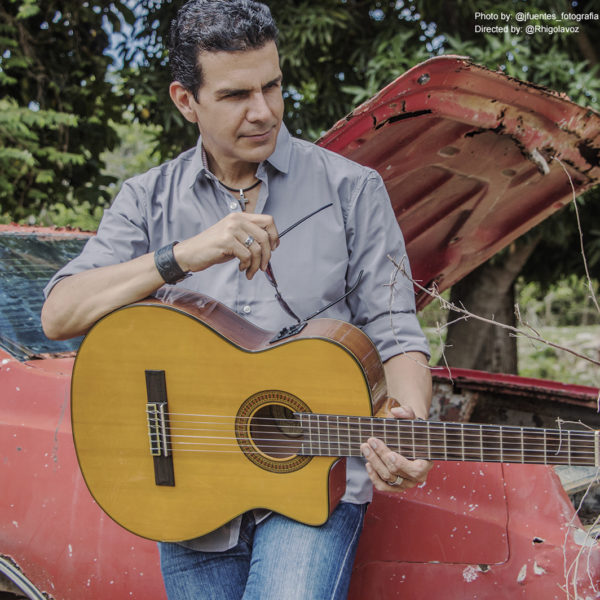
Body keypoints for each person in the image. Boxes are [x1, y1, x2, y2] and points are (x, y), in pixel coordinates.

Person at [41, 1, 432, 598]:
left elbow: (395, 329)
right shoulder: (146, 200)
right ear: (184, 101)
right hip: (182, 493)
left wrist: (410, 426)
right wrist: (182, 256)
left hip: (312, 487)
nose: (264, 111)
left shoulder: (352, 190)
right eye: (235, 95)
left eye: (272, 86)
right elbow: (58, 312)